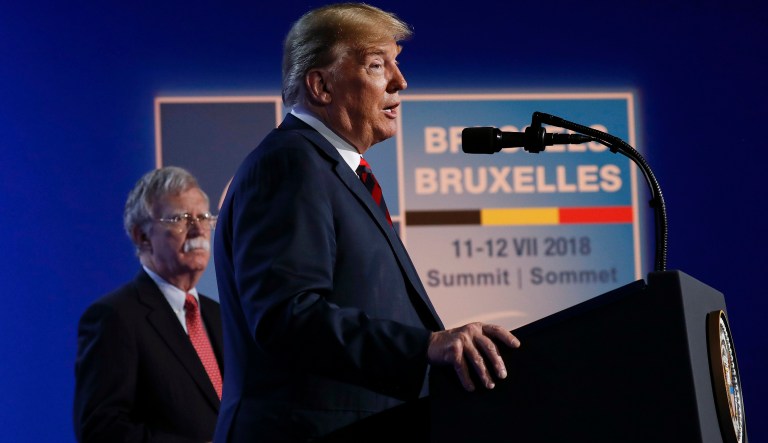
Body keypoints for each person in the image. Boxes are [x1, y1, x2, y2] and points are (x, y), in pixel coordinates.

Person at [213, 3, 521, 442]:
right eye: (377, 65)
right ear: (320, 85)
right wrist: (425, 346)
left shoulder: (332, 170)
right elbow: (287, 316)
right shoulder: (289, 163)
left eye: (396, 63)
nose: (400, 81)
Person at [74, 166, 223, 443]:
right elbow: (101, 430)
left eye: (203, 217)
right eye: (181, 218)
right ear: (142, 236)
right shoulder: (115, 317)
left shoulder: (220, 317)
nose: (198, 230)